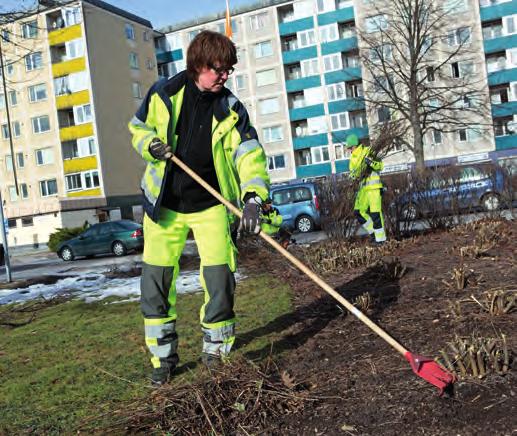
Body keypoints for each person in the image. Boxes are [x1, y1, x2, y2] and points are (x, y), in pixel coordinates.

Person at [128, 30, 270, 385]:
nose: (224, 77)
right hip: (165, 206)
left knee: (219, 279)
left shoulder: (231, 108)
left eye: (228, 71)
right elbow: (137, 128)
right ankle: (162, 359)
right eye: (218, 70)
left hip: (211, 205)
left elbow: (249, 155)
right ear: (198, 65)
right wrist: (151, 145)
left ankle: (215, 352)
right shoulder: (164, 93)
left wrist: (253, 196)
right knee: (156, 284)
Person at [346, 134, 387, 244]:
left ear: (354, 146)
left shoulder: (369, 151)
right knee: (358, 212)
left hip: (373, 187)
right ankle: (373, 233)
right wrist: (353, 176)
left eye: (350, 148)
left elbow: (380, 166)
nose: (349, 150)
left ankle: (381, 239)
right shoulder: (353, 158)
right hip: (362, 188)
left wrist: (371, 163)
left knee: (375, 214)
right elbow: (353, 173)